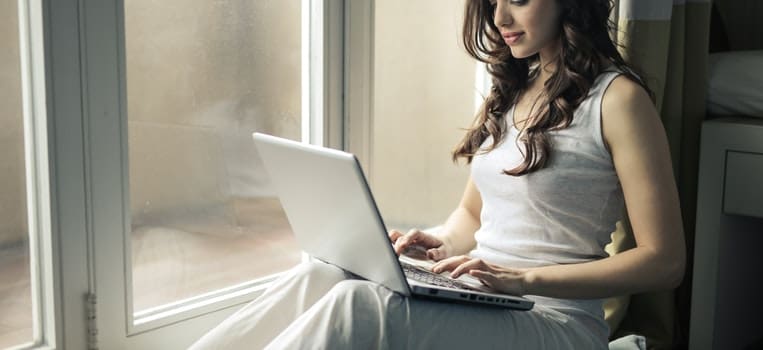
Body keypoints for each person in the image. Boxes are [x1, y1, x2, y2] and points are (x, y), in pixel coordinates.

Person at [190, 0, 686, 348]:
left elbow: (665, 262)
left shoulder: (620, 100)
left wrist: (522, 278)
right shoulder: (517, 90)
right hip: (489, 297)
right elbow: (472, 213)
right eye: (493, 1)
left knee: (359, 306)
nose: (500, 18)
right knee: (323, 273)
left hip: (556, 322)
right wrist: (441, 245)